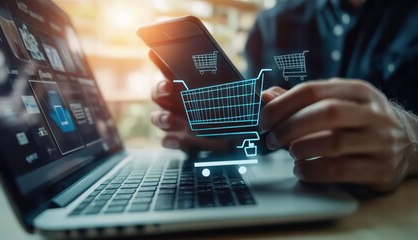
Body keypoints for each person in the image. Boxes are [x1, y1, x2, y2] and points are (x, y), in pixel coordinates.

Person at [150, 0, 418, 193]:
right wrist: (225, 134)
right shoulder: (272, 24)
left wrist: (412, 144)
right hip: (295, 195)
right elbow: (259, 130)